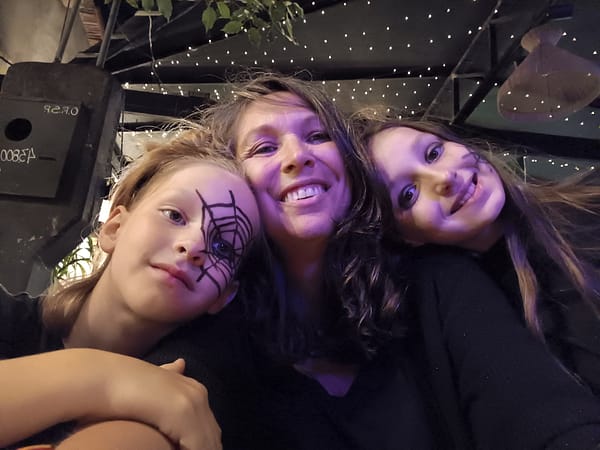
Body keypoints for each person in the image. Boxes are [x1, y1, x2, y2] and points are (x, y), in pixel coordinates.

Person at [53, 72, 600, 450]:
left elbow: (545, 416)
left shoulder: (435, 282)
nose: (298, 157)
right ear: (235, 185)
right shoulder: (212, 332)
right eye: (264, 148)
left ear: (352, 171)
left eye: (317, 136)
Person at [0, 126, 260, 450]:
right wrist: (105, 378)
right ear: (114, 228)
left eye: (223, 247)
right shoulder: (7, 318)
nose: (194, 245)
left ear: (224, 296)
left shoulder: (195, 383)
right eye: (174, 215)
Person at [356, 114, 600, 394]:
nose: (444, 177)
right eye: (408, 194)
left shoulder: (590, 206)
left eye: (434, 153)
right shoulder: (473, 322)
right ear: (405, 238)